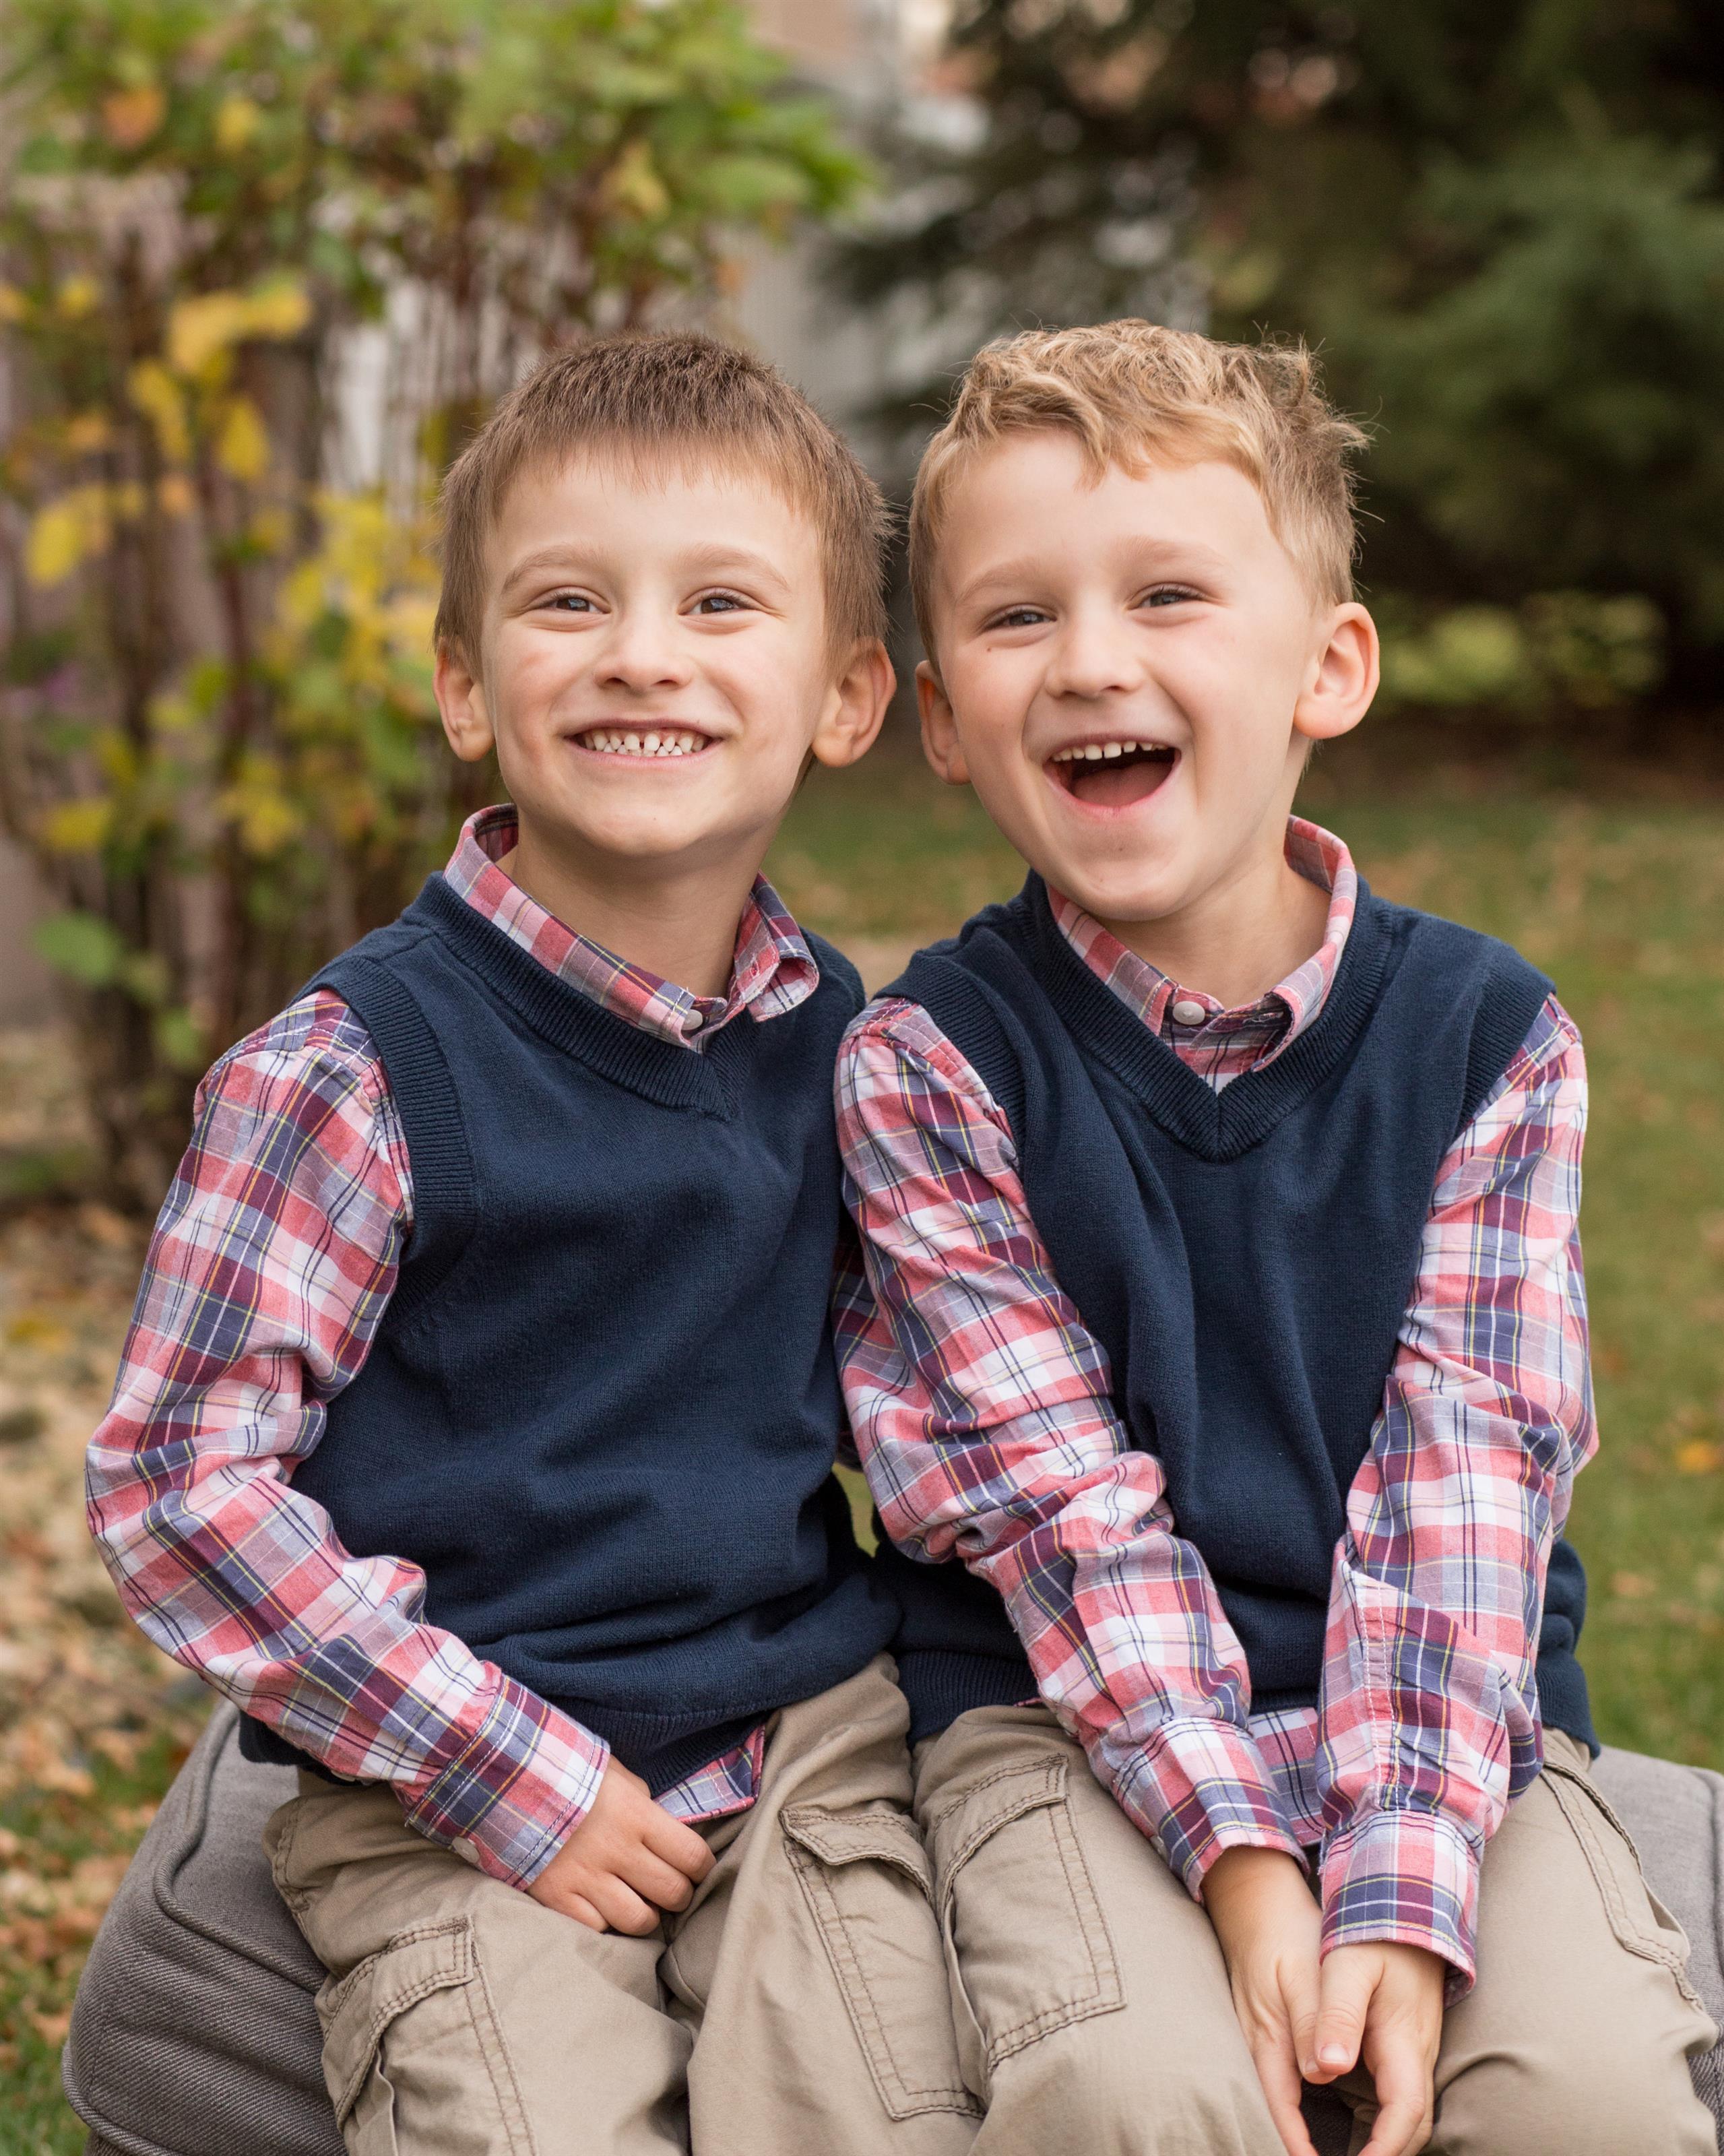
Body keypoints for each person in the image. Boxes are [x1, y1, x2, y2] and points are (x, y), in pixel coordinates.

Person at [86, 332, 982, 2156]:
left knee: (879, 2114)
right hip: (451, 1776)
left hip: (796, 1731)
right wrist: (503, 1771)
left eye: (720, 603)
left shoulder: (837, 1037)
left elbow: (919, 1388)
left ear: (847, 696)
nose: (643, 652)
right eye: (570, 601)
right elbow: (180, 1483)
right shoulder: (355, 1074)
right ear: (465, 685)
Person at [835, 321, 1718, 2156]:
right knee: (1135, 2095)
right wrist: (1249, 1870)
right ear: (941, 720)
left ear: (1329, 667)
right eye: (1017, 616)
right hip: (1057, 1719)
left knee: (1589, 2099)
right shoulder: (931, 1067)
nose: (1093, 660)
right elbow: (1058, 1514)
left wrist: (1397, 1889)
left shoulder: (1489, 1041)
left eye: (1168, 595)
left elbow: (1468, 1479)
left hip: (1450, 1723)